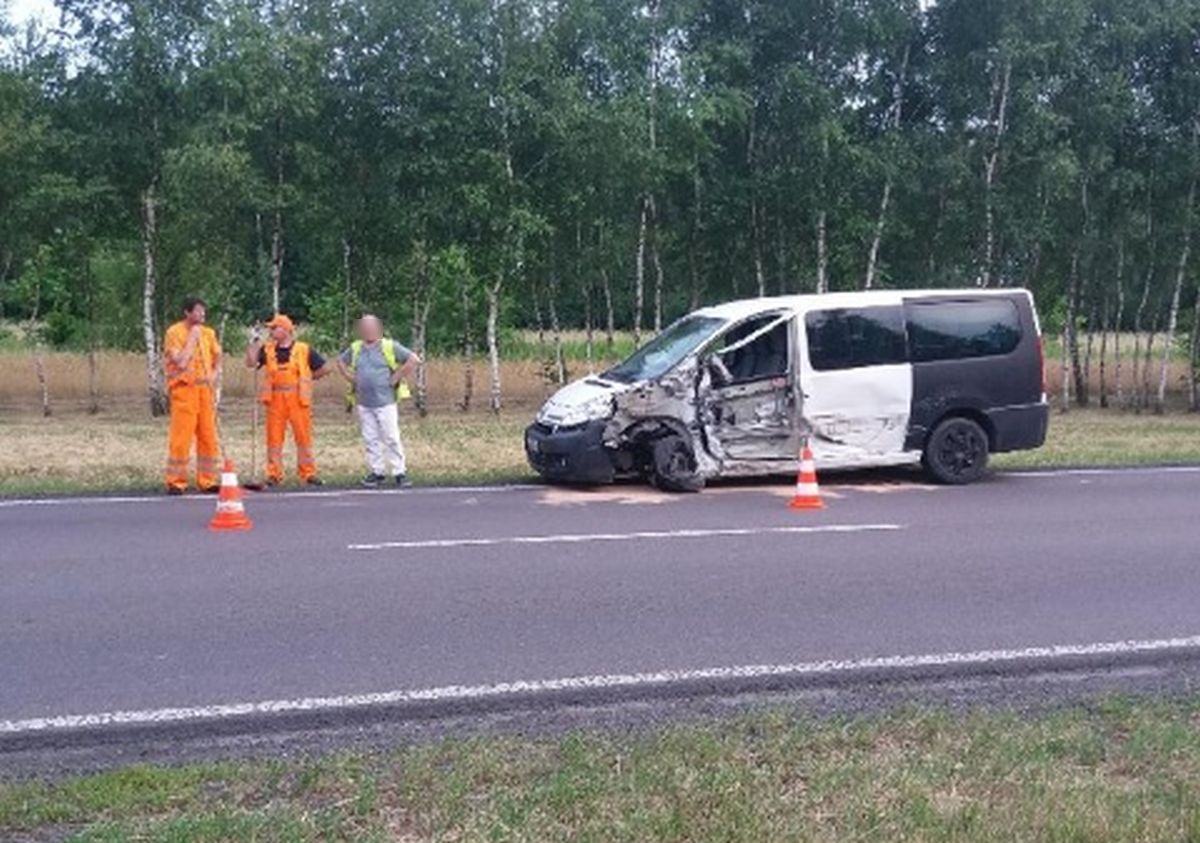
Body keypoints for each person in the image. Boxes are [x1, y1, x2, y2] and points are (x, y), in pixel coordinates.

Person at [244, 314, 333, 486]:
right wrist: (253, 342)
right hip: (275, 398)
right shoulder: (267, 349)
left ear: (285, 330)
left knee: (303, 438)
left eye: (274, 328)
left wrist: (307, 378)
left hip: (298, 399)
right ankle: (274, 474)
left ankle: (308, 473)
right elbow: (250, 363)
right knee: (274, 439)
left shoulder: (303, 349)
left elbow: (325, 368)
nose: (271, 331)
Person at [338, 314, 421, 487]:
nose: (368, 331)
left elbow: (413, 360)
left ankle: (399, 472)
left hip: (385, 401)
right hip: (364, 402)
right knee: (370, 438)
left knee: (391, 437)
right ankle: (377, 472)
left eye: (371, 327)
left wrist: (396, 377)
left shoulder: (389, 346)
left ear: (379, 329)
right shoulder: (356, 348)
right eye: (364, 328)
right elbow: (340, 362)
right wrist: (350, 378)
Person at [163, 297, 222, 495]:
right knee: (182, 436)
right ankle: (176, 481)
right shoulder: (175, 332)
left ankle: (208, 480)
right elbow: (180, 361)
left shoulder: (209, 334)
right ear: (187, 313)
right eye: (198, 311)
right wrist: (193, 337)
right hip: (184, 391)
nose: (202, 315)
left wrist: (214, 376)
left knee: (208, 435)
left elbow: (217, 358)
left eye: (204, 311)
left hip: (205, 391)